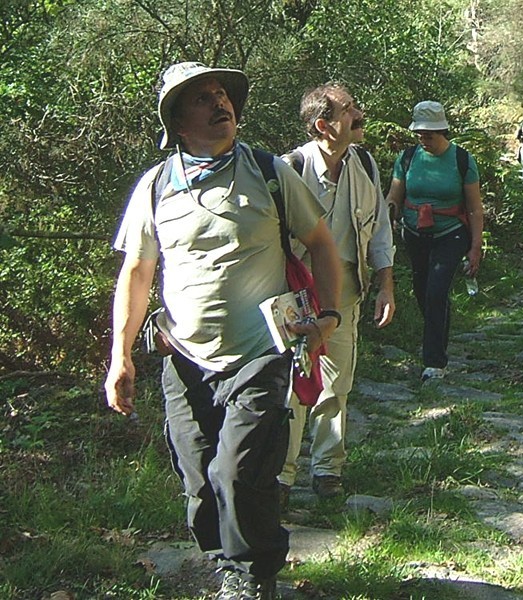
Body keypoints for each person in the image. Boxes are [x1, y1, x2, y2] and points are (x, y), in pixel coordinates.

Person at [104, 62, 342, 600]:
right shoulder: (156, 186)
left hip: (261, 351)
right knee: (198, 479)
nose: (219, 104)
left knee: (239, 470)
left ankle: (254, 575)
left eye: (222, 94)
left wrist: (327, 316)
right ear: (178, 123)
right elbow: (137, 272)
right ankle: (225, 565)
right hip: (184, 357)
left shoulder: (268, 170)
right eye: (202, 98)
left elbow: (322, 244)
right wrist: (120, 356)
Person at [277, 83, 395, 504]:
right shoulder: (288, 169)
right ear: (324, 125)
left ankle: (328, 470)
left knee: (336, 383)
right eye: (350, 109)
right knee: (291, 384)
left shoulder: (363, 162)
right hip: (294, 295)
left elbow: (379, 227)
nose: (359, 114)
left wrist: (385, 284)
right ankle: (281, 477)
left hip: (345, 292)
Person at [386, 101, 483, 382]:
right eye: (420, 135)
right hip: (415, 232)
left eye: (429, 135)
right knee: (422, 291)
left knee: (436, 291)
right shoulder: (406, 159)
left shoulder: (462, 160)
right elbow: (394, 196)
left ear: (442, 131)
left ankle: (434, 362)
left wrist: (475, 248)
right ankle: (437, 337)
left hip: (450, 233)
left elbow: (475, 208)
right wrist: (387, 220)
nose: (424, 140)